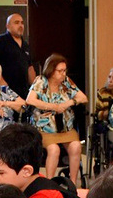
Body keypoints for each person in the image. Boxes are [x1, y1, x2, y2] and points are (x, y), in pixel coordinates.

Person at [27, 54, 88, 183]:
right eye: (60, 71)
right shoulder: (41, 81)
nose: (63, 74)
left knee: (76, 146)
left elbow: (83, 98)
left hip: (65, 128)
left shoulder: (66, 82)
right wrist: (53, 106)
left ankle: (72, 183)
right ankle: (49, 183)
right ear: (51, 70)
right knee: (54, 149)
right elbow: (29, 100)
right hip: (45, 128)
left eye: (65, 70)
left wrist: (68, 103)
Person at [0, 13, 36, 100]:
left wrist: (35, 87)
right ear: (8, 26)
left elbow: (30, 68)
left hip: (24, 91)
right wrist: (0, 81)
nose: (20, 25)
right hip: (6, 90)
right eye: (16, 23)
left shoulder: (25, 45)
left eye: (22, 23)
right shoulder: (0, 41)